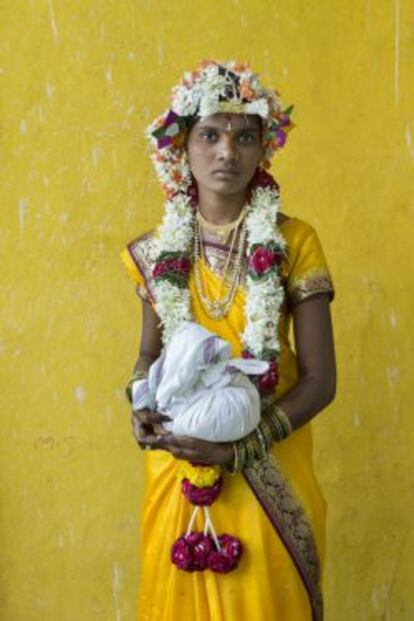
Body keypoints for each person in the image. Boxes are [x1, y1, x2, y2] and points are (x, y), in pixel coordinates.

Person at [121, 60, 336, 621]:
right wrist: (139, 400)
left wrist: (240, 449)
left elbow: (320, 379)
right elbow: (149, 355)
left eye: (245, 137)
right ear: (181, 147)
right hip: (181, 462)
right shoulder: (155, 252)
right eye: (209, 135)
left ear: (263, 148)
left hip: (271, 459)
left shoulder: (294, 241)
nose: (226, 152)